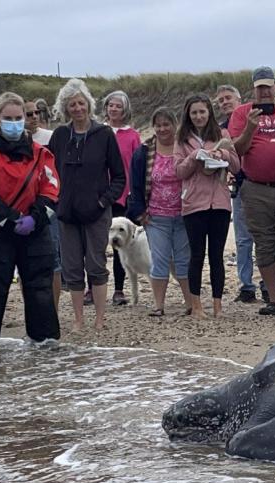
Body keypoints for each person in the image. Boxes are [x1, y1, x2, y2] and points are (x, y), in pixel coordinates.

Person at [0, 92, 61, 348]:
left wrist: (34, 219)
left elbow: (51, 189)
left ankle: (45, 344)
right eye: (9, 118)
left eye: (19, 118)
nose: (15, 122)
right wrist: (11, 219)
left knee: (40, 290)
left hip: (35, 231)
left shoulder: (41, 153)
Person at [48, 78, 127, 332]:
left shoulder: (104, 134)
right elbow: (48, 172)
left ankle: (100, 320)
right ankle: (79, 320)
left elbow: (119, 176)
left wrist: (104, 200)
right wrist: (55, 201)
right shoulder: (60, 135)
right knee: (72, 268)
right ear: (65, 108)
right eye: (72, 104)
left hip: (97, 212)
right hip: (67, 213)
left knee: (96, 265)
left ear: (89, 105)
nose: (78, 108)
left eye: (81, 103)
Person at [228, 66, 275, 316]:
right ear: (253, 89)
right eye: (259, 87)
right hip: (255, 187)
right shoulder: (241, 113)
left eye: (267, 86)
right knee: (264, 244)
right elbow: (236, 150)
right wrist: (251, 127)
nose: (264, 92)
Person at [175, 93, 241, 318]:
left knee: (216, 255)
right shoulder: (182, 139)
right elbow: (179, 171)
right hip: (194, 203)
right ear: (188, 115)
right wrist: (195, 156)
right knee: (196, 254)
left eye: (202, 111)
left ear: (209, 113)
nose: (198, 116)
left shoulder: (221, 134)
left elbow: (236, 165)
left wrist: (221, 152)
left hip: (220, 202)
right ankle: (196, 306)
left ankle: (218, 305)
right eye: (194, 112)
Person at [127, 108, 195, 316]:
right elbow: (136, 184)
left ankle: (190, 304)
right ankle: (159, 306)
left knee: (184, 260)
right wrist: (140, 213)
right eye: (158, 125)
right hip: (156, 216)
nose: (162, 129)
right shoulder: (144, 151)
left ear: (175, 125)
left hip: (184, 214)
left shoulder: (186, 147)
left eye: (167, 124)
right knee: (160, 260)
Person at [215, 84, 263, 303]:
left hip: (260, 183)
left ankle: (266, 284)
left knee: (264, 237)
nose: (224, 102)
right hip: (237, 187)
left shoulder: (253, 120)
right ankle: (247, 285)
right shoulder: (218, 129)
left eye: (228, 98)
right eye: (220, 100)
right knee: (243, 239)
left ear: (239, 99)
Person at [103, 90, 141, 303]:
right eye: (111, 105)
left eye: (118, 105)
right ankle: (94, 288)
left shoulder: (132, 135)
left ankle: (119, 289)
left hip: (124, 196)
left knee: (120, 243)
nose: (114, 109)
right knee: (97, 244)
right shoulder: (99, 131)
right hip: (100, 194)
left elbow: (136, 166)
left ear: (125, 109)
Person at [26, 98, 62, 311]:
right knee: (26, 264)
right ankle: (32, 310)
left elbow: (55, 173)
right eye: (29, 114)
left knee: (53, 260)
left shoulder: (50, 137)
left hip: (48, 207)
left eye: (37, 112)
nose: (34, 117)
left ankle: (53, 311)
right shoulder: (14, 139)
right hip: (21, 209)